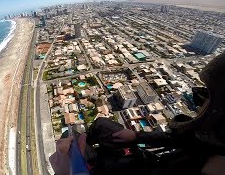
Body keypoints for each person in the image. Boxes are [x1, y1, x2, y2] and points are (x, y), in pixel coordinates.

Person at [50, 52, 225, 175]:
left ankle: (90, 160)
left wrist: (74, 170)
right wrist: (137, 136)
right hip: (145, 161)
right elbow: (178, 138)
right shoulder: (211, 147)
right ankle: (87, 154)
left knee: (69, 138)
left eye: (205, 97)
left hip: (135, 169)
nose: (199, 102)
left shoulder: (214, 165)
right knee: (101, 125)